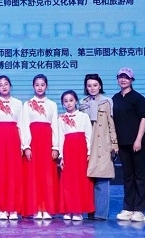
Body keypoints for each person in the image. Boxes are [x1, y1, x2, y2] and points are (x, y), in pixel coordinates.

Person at [112, 67, 145, 222]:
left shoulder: (138, 98)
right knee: (127, 176)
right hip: (122, 143)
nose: (123, 80)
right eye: (120, 77)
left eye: (126, 77)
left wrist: (138, 139)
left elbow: (143, 119)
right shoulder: (114, 99)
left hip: (136, 143)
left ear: (132, 80)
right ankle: (128, 208)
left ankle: (139, 210)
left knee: (139, 175)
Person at [0, 75, 25, 221]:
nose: (4, 86)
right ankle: (2, 208)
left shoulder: (18, 104)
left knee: (14, 173)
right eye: (0, 84)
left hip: (14, 140)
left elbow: (22, 124)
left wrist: (23, 144)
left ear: (10, 86)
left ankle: (13, 208)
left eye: (6, 84)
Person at [79, 73, 118, 220]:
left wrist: (114, 143)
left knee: (102, 178)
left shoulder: (107, 102)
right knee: (88, 180)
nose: (92, 88)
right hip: (88, 144)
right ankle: (90, 211)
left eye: (95, 85)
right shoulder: (83, 103)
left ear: (100, 86)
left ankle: (101, 214)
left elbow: (111, 123)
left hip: (103, 143)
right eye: (89, 86)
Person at [21, 74, 60, 220]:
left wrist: (55, 147)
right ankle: (36, 208)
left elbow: (55, 126)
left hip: (47, 142)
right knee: (33, 175)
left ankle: (47, 208)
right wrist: (26, 146)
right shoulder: (27, 104)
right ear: (33, 86)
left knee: (47, 175)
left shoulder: (52, 105)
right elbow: (24, 125)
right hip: (33, 142)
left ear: (46, 86)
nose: (40, 87)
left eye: (42, 84)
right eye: (37, 85)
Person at [58, 90, 94, 221]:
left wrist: (89, 152)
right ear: (63, 104)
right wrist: (61, 156)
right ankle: (68, 209)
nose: (69, 103)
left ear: (76, 101)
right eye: (65, 101)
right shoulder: (61, 119)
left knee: (81, 180)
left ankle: (78, 211)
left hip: (81, 151)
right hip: (68, 151)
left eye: (71, 100)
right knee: (68, 181)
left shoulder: (83, 117)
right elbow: (60, 138)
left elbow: (89, 135)